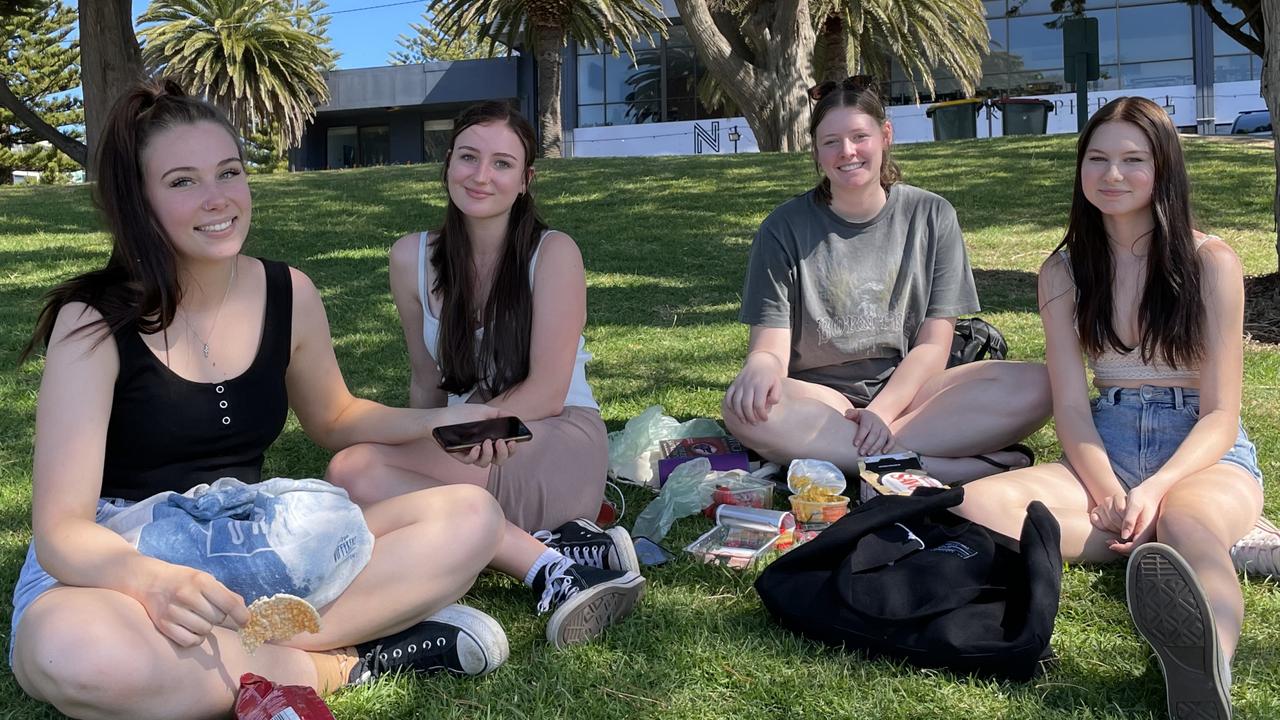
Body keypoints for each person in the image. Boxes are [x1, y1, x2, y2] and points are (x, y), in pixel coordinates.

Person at [10, 79, 512, 720]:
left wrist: (444, 420)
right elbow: (61, 531)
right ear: (138, 202)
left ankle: (224, 663)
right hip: (122, 558)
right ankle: (342, 663)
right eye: (182, 181)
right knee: (73, 654)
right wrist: (151, 584)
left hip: (251, 536)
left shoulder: (288, 292)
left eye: (230, 171)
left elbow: (335, 417)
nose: (218, 198)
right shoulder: (93, 321)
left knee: (472, 518)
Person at [953, 96, 1264, 719]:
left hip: (1201, 453)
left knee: (1185, 524)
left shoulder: (1212, 263)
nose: (1111, 174)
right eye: (1096, 158)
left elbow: (1221, 413)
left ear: (1163, 168)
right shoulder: (1064, 270)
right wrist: (1107, 490)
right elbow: (1069, 404)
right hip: (1107, 436)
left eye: (1131, 159)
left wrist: (1158, 488)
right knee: (978, 504)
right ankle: (1150, 539)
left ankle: (1209, 665)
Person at [324, 101, 645, 649]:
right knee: (352, 471)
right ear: (448, 163)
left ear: (525, 180)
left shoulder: (554, 252)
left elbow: (546, 390)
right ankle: (556, 562)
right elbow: (425, 380)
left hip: (551, 435)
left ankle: (553, 552)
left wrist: (473, 432)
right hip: (470, 441)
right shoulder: (411, 258)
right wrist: (429, 431)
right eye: (468, 157)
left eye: (502, 163)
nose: (481, 175)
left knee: (354, 474)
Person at [722, 76, 1050, 484]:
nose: (847, 152)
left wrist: (881, 413)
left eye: (860, 136)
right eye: (831, 142)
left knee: (1041, 384)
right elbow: (770, 347)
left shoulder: (932, 215)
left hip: (913, 392)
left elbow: (934, 344)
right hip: (822, 400)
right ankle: (934, 467)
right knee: (743, 410)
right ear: (816, 150)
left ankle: (863, 457)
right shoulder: (782, 228)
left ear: (885, 135)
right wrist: (759, 366)